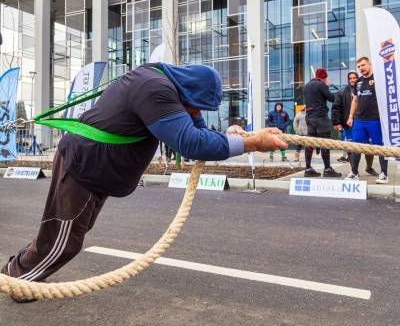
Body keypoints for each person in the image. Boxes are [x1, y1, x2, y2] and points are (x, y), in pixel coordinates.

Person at [1, 62, 288, 303]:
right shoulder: (155, 89)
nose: (196, 113)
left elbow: (198, 132)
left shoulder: (167, 88)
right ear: (187, 92)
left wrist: (233, 136)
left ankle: (22, 271)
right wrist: (251, 144)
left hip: (96, 170)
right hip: (84, 165)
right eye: (196, 107)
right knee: (63, 242)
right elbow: (191, 142)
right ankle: (16, 281)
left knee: (67, 234)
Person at [345, 57, 388, 183]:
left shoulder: (379, 79)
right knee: (356, 147)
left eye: (363, 65)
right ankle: (354, 173)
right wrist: (350, 116)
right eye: (359, 67)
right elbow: (355, 100)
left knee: (380, 147)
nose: (361, 68)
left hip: (376, 120)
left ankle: (384, 174)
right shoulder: (357, 82)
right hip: (359, 120)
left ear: (370, 64)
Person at [331, 71, 377, 175]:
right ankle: (354, 170)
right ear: (348, 80)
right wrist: (336, 122)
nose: (352, 80)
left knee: (369, 147)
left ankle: (369, 167)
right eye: (350, 78)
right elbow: (335, 108)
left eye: (354, 78)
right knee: (351, 148)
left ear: (358, 78)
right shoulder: (341, 92)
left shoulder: (366, 88)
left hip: (365, 122)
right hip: (349, 125)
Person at [302, 68, 341, 178]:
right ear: (324, 78)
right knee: (325, 143)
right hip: (320, 118)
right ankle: (327, 169)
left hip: (309, 118)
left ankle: (308, 169)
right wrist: (327, 86)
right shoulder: (321, 85)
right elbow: (332, 98)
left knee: (310, 143)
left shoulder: (306, 86)